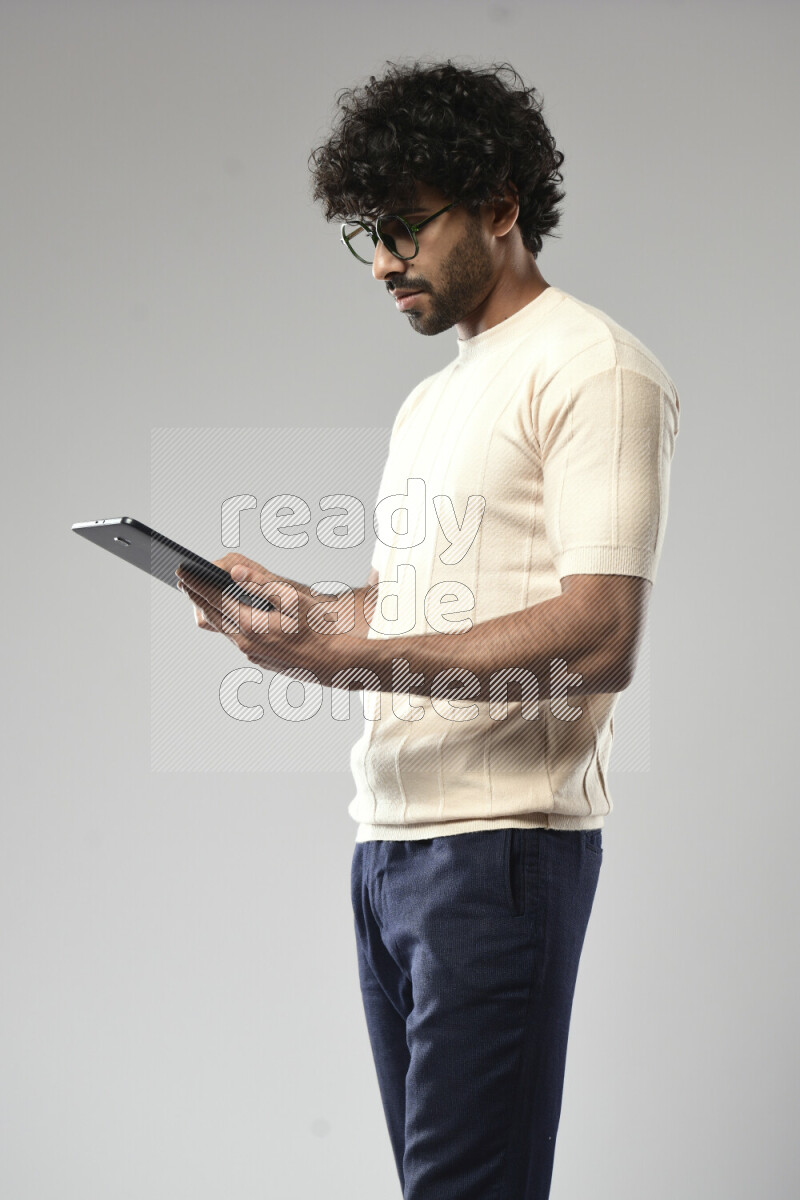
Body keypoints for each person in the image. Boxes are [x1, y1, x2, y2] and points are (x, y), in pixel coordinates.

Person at [176, 58, 680, 1200]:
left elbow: (599, 635)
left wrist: (346, 657)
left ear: (500, 208)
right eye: (368, 232)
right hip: (390, 850)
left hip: (500, 848)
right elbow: (410, 604)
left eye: (405, 226)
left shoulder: (591, 367)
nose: (384, 262)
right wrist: (308, 616)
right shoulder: (434, 395)